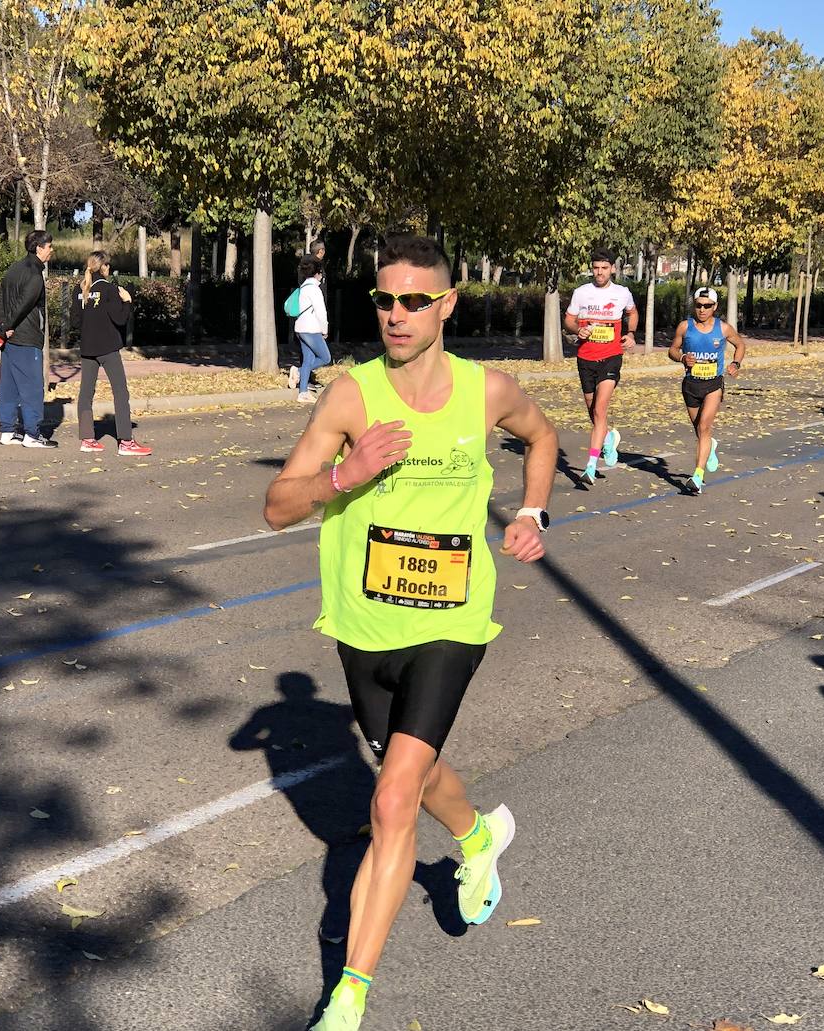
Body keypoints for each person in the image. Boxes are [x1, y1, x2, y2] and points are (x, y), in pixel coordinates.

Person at [263, 235, 557, 1031]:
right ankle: (479, 834)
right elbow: (279, 504)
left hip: (453, 620)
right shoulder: (352, 397)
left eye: (415, 300)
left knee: (392, 795)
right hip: (364, 622)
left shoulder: (486, 390)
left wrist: (532, 509)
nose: (397, 315)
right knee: (417, 776)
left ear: (447, 305)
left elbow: (544, 436)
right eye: (386, 300)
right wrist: (343, 478)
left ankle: (348, 996)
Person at [564, 248, 637, 485]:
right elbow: (569, 319)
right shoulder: (581, 293)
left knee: (599, 410)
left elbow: (632, 312)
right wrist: (578, 329)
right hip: (585, 357)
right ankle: (608, 438)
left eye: (604, 268)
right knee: (592, 410)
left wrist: (631, 333)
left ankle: (591, 466)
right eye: (596, 268)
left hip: (611, 356)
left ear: (612, 269)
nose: (599, 272)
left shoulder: (622, 293)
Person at [71, 251, 152, 456]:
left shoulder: (80, 290)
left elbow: (74, 322)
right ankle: (125, 441)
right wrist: (127, 301)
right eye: (109, 266)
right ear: (104, 267)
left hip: (87, 349)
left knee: (86, 393)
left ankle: (87, 439)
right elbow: (120, 319)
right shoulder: (109, 290)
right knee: (120, 392)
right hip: (108, 349)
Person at [668, 287, 746, 495]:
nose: (702, 310)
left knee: (704, 426)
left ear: (715, 307)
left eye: (707, 306)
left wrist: (736, 364)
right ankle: (709, 446)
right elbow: (673, 349)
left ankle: (698, 476)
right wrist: (682, 358)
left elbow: (740, 345)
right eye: (698, 305)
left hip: (713, 384)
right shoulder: (685, 327)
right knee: (699, 429)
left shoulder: (723, 328)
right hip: (691, 385)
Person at [0, 229, 56, 448]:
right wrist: (5, 327)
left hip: (10, 340)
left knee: (8, 387)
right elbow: (23, 306)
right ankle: (31, 434)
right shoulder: (34, 275)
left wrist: (2, 327)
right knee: (32, 388)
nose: (51, 250)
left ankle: (7, 431)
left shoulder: (13, 269)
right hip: (26, 339)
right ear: (39, 248)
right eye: (49, 246)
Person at [287, 254, 331, 404]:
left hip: (300, 328)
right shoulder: (315, 290)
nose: (322, 276)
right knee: (325, 357)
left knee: (308, 360)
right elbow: (321, 312)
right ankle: (298, 372)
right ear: (317, 273)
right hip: (311, 329)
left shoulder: (303, 287)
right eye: (321, 273)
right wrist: (324, 329)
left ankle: (303, 392)